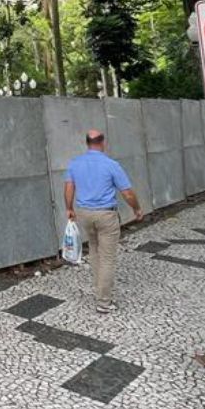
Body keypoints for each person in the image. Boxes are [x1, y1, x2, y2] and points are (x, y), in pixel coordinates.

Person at [64, 129, 143, 314]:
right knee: (107, 258)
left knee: (94, 250)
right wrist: (136, 209)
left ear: (86, 143)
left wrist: (69, 208)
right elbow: (127, 193)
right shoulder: (111, 165)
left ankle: (100, 290)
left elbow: (69, 187)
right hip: (106, 215)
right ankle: (104, 302)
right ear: (103, 142)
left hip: (84, 214)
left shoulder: (75, 163)